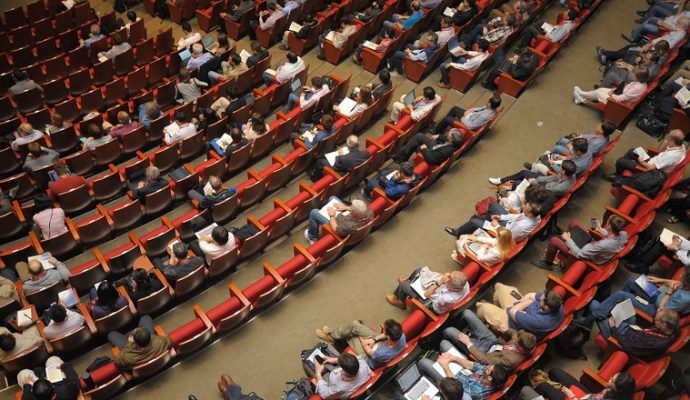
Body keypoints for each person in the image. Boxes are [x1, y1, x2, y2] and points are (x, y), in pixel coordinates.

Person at [444, 309, 537, 371]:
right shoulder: (529, 341)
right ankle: (457, 326)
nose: (516, 338)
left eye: (517, 340)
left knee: (449, 331)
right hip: (493, 340)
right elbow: (514, 334)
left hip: (484, 352)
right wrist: (505, 330)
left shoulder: (511, 360)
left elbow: (485, 361)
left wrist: (468, 343)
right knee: (467, 313)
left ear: (520, 347)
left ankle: (441, 337)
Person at [531, 215, 628, 271]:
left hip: (587, 255)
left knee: (553, 240)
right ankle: (562, 241)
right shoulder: (623, 234)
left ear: (609, 226)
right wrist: (601, 230)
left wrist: (569, 240)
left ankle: (548, 263)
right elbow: (611, 236)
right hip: (594, 248)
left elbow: (580, 254)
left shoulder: (602, 245)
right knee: (574, 222)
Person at [417, 341, 508, 399]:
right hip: (461, 372)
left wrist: (445, 366)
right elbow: (472, 365)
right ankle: (435, 356)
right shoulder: (487, 373)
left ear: (490, 378)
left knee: (423, 362)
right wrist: (453, 358)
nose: (486, 367)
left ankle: (427, 380)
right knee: (444, 343)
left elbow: (456, 388)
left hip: (452, 381)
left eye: (488, 369)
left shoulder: (478, 392)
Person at [476, 284, 564, 339]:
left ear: (547, 307)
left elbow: (512, 312)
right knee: (500, 287)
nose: (540, 297)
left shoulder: (540, 321)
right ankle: (496, 309)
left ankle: (485, 324)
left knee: (482, 307)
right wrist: (526, 303)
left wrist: (529, 302)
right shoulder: (556, 301)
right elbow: (531, 295)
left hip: (511, 323)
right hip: (519, 308)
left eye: (541, 300)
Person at [315, 319, 406, 369]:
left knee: (352, 335)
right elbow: (384, 335)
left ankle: (331, 336)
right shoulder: (400, 335)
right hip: (379, 343)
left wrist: (360, 337)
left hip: (368, 358)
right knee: (355, 324)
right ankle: (333, 335)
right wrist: (374, 339)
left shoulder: (381, 353)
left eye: (385, 329)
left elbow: (366, 347)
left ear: (389, 336)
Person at [448, 200, 542, 243]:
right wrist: (501, 217)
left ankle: (458, 232)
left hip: (504, 234)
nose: (523, 207)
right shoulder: (535, 215)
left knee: (474, 221)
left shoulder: (521, 227)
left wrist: (496, 226)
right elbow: (516, 216)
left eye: (526, 208)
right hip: (508, 225)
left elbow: (507, 238)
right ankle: (483, 223)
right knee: (493, 205)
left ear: (530, 214)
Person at [606, 129, 686, 179]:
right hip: (653, 161)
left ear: (672, 142)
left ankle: (617, 175)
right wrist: (666, 143)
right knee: (632, 151)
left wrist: (641, 162)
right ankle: (620, 172)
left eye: (668, 139)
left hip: (649, 171)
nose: (666, 140)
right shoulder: (681, 146)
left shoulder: (671, 156)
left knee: (620, 161)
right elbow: (660, 152)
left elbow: (651, 168)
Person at [386, 269, 470, 313]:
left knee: (404, 285)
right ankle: (408, 284)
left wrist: (439, 282)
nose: (447, 274)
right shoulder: (464, 283)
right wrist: (442, 279)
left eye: (449, 277)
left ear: (452, 285)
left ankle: (400, 301)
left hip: (431, 305)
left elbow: (426, 294)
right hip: (439, 293)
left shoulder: (448, 298)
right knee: (419, 271)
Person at [108, 315, 172, 370]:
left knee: (111, 335)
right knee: (145, 318)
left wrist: (128, 344)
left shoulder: (127, 358)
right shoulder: (161, 342)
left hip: (131, 352)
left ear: (135, 342)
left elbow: (117, 363)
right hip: (154, 349)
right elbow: (169, 340)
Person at [521, 370, 636, 400]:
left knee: (543, 386)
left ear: (617, 389)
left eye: (612, 381)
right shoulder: (616, 393)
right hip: (587, 396)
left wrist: (572, 396)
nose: (609, 378)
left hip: (576, 398)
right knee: (555, 371)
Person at [305, 198, 374, 244]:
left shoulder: (348, 226)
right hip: (344, 217)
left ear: (353, 214)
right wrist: (344, 207)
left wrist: (332, 215)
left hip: (336, 223)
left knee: (314, 212)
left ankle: (312, 237)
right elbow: (358, 210)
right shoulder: (369, 213)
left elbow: (336, 229)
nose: (350, 206)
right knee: (333, 198)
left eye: (351, 207)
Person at [573, 67, 649, 105]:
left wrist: (612, 94)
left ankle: (580, 94)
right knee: (601, 89)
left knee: (597, 93)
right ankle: (581, 99)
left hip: (618, 104)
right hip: (619, 93)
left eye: (634, 74)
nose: (632, 74)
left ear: (639, 77)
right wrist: (614, 90)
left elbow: (620, 99)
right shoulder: (641, 82)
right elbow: (626, 88)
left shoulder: (636, 88)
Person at [435, 95, 501, 134]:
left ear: (489, 104)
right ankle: (447, 125)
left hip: (466, 124)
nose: (486, 99)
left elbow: (470, 126)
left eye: (488, 99)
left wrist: (464, 117)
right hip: (470, 116)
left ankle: (437, 131)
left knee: (447, 119)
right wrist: (468, 111)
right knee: (455, 108)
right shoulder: (491, 108)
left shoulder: (484, 116)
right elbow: (476, 109)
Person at [551, 120, 616, 157]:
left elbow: (584, 155)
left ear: (602, 131)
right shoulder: (604, 135)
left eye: (599, 125)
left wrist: (571, 148)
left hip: (579, 153)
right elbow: (590, 137)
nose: (597, 125)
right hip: (581, 146)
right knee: (563, 140)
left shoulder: (597, 144)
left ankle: (551, 157)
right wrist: (579, 137)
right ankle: (558, 152)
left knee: (557, 148)